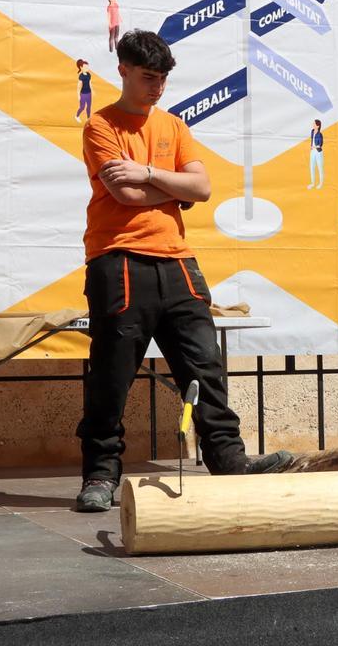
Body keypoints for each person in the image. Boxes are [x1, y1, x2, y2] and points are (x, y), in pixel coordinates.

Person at [75, 29, 292, 512]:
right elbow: (126, 196)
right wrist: (176, 188)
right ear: (124, 71)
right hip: (120, 261)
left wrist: (151, 174)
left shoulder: (173, 126)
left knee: (205, 368)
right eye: (148, 77)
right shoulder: (100, 127)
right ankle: (100, 475)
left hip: (178, 263)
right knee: (112, 376)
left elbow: (204, 189)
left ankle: (229, 462)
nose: (157, 87)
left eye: (163, 79)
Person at [308, 119, 324, 189]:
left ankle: (320, 184)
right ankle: (313, 183)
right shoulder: (312, 131)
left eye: (314, 124)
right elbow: (312, 139)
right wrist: (311, 146)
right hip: (312, 152)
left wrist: (314, 146)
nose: (313, 125)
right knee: (312, 167)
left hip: (318, 152)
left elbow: (320, 144)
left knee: (320, 168)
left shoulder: (320, 134)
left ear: (317, 126)